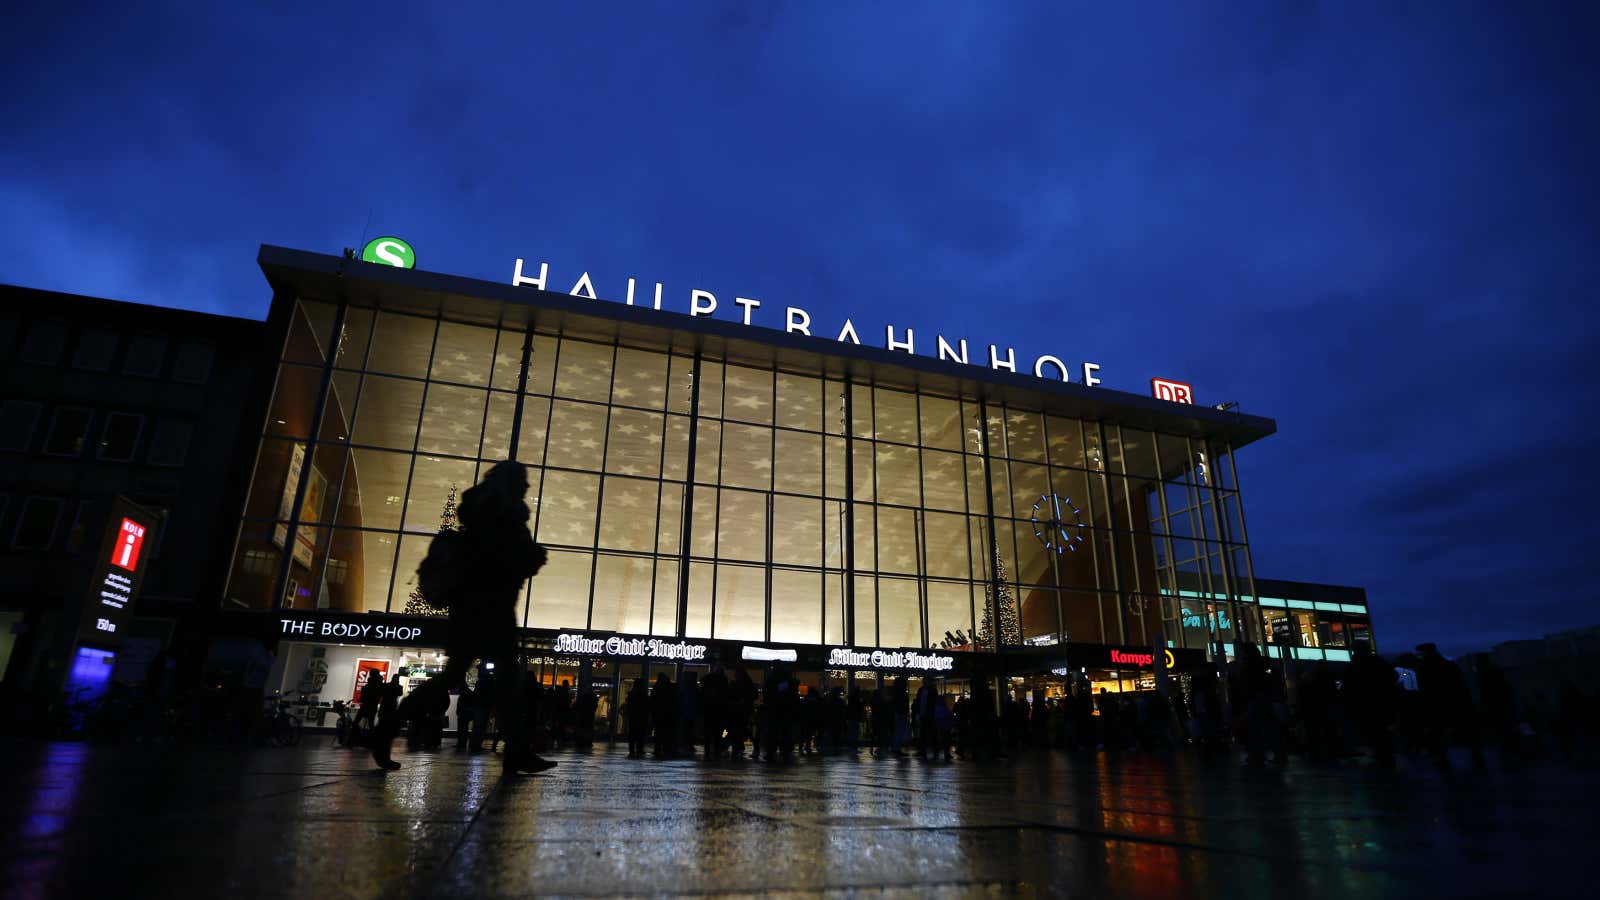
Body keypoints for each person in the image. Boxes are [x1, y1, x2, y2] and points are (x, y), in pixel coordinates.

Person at [369, 461, 554, 775]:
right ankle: (516, 753)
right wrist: (531, 558)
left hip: (477, 608)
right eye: (523, 482)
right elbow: (500, 560)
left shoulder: (488, 509)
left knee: (466, 677)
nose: (527, 487)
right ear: (511, 483)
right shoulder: (503, 513)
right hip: (488, 607)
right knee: (501, 680)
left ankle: (387, 728)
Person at [700, 665, 729, 761]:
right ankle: (717, 751)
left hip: (708, 710)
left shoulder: (707, 680)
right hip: (719, 711)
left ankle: (708, 751)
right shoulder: (723, 681)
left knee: (708, 733)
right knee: (718, 733)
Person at [651, 673, 677, 759]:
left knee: (659, 733)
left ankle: (658, 748)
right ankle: (666, 748)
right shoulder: (670, 688)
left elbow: (653, 701)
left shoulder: (657, 687)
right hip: (668, 714)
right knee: (667, 733)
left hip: (659, 714)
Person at [625, 678, 650, 758]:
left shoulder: (631, 694)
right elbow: (646, 707)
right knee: (641, 734)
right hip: (641, 717)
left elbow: (629, 706)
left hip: (633, 717)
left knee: (632, 733)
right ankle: (640, 749)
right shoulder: (643, 694)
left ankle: (631, 749)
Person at [454, 684, 476, 750]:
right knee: (464, 729)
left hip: (463, 714)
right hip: (466, 713)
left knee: (462, 729)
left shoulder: (464, 694)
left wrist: (459, 711)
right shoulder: (468, 693)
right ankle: (462, 743)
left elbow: (461, 704)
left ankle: (461, 743)